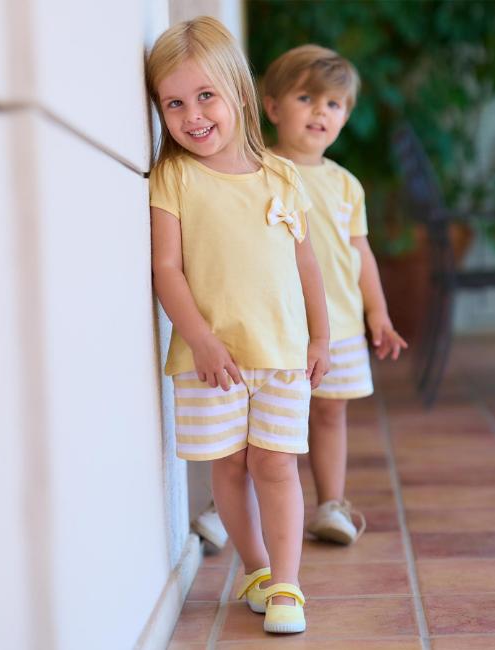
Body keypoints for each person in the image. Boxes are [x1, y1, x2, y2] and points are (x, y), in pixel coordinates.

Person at [146, 18, 330, 634]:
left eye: (205, 96)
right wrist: (198, 336)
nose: (192, 115)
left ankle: (287, 583)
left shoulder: (281, 176)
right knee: (226, 466)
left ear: (241, 97)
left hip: (281, 354)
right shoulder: (174, 176)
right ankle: (254, 567)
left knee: (275, 465)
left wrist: (321, 335)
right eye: (173, 103)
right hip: (209, 359)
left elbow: (308, 266)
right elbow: (166, 269)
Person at [263, 45, 407, 545]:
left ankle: (329, 505)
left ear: (345, 116)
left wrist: (378, 314)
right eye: (307, 98)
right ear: (273, 107)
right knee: (265, 418)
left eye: (333, 104)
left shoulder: (347, 185)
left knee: (330, 411)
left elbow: (360, 254)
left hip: (341, 322)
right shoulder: (259, 171)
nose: (321, 112)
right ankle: (239, 504)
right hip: (276, 323)